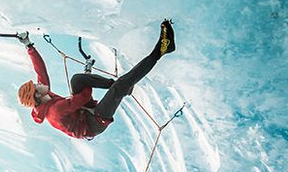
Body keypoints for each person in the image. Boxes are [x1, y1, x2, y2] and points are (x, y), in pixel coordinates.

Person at [16, 20, 175, 139]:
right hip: (95, 123)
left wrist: (29, 46)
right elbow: (84, 97)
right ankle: (161, 50)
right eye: (36, 86)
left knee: (77, 80)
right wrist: (89, 76)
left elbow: (41, 71)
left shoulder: (44, 98)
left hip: (82, 111)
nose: (38, 83)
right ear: (37, 95)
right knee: (118, 87)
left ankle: (123, 87)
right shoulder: (54, 111)